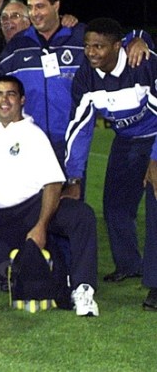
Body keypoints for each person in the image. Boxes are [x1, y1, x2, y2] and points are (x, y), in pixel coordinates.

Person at [0, 74, 99, 316]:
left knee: (82, 215)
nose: (4, 100)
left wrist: (41, 226)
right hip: (0, 219)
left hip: (34, 208)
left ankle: (83, 289)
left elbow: (53, 184)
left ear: (22, 100)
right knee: (6, 272)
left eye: (11, 94)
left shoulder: (33, 134)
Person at [0, 0, 152, 166]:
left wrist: (139, 38)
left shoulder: (80, 37)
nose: (34, 13)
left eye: (40, 6)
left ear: (56, 5)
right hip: (30, 140)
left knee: (72, 184)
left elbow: (114, 43)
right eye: (30, 7)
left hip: (72, 139)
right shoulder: (17, 46)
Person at [63, 18, 157, 309]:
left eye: (99, 47)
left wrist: (155, 159)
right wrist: (74, 177)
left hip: (155, 137)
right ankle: (129, 264)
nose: (91, 53)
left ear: (118, 47)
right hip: (126, 140)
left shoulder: (143, 64)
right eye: (87, 46)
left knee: (155, 206)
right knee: (115, 206)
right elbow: (79, 128)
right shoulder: (86, 76)